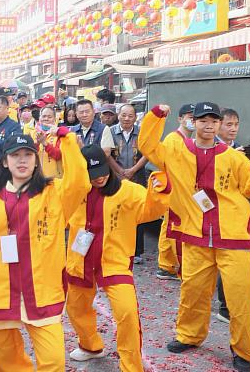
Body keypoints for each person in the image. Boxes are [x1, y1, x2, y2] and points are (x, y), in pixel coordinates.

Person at [139, 102, 250, 372]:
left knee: (241, 298)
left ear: (220, 125)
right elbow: (147, 145)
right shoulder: (176, 149)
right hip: (195, 236)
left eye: (214, 120)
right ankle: (189, 335)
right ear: (193, 122)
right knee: (193, 292)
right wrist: (155, 115)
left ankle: (244, 352)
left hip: (232, 238)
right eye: (202, 120)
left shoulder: (234, 157)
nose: (209, 125)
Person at [0, 130, 90, 371]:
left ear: (36, 160)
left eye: (28, 154)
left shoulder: (54, 192)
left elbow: (80, 182)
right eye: (15, 155)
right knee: (7, 363)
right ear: (5, 161)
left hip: (42, 292)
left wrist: (67, 140)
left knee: (54, 361)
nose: (22, 160)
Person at [66, 143, 169, 370]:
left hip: (114, 262)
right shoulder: (74, 191)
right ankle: (90, 345)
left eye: (102, 171)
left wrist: (160, 191)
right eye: (91, 175)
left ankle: (131, 366)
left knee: (127, 313)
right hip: (79, 260)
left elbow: (151, 209)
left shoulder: (128, 190)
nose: (98, 178)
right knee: (75, 308)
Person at [155, 103, 194, 282]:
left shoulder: (188, 139)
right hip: (175, 192)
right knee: (170, 227)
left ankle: (167, 265)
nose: (192, 120)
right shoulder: (173, 139)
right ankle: (168, 265)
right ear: (180, 119)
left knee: (169, 227)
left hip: (185, 194)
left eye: (195, 117)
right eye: (188, 116)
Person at [109, 103, 149, 264]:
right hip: (115, 179)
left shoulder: (141, 133)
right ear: (118, 115)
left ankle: (137, 251)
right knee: (115, 212)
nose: (126, 118)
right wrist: (119, 170)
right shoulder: (110, 132)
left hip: (137, 177)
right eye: (123, 115)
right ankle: (115, 248)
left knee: (137, 214)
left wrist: (132, 170)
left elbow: (147, 153)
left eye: (130, 115)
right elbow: (107, 154)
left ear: (135, 117)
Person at [215, 107, 244, 324]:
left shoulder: (240, 150)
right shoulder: (212, 149)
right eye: (229, 125)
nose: (233, 129)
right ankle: (224, 306)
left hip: (237, 217)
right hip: (214, 216)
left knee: (235, 265)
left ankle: (229, 306)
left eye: (236, 125)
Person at [37, 106, 63, 179]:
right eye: (44, 116)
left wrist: (45, 144)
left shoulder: (59, 134)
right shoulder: (33, 133)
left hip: (55, 179)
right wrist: (37, 143)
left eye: (49, 117)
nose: (46, 119)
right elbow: (29, 153)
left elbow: (58, 155)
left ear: (54, 119)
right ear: (40, 118)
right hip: (37, 179)